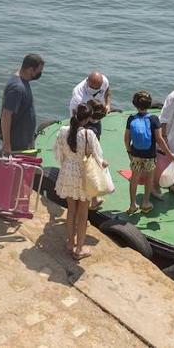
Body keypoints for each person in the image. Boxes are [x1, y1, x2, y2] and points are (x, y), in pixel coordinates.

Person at [54, 100, 107, 259]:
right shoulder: (88, 134)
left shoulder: (63, 131)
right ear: (88, 118)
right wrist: (104, 164)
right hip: (83, 175)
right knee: (83, 213)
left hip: (67, 173)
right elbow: (99, 156)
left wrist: (68, 163)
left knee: (71, 210)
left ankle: (70, 242)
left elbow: (58, 154)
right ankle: (79, 249)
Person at [123, 90, 169, 214]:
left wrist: (129, 151)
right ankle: (145, 203)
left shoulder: (131, 118)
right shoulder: (154, 119)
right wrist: (169, 154)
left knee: (134, 179)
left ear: (135, 105)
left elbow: (127, 138)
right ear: (149, 104)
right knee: (149, 178)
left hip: (135, 154)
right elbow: (159, 139)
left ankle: (132, 205)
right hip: (150, 155)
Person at [0, 53, 44, 156]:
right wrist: (6, 144)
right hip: (17, 142)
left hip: (24, 140)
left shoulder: (22, 81)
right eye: (39, 71)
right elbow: (6, 115)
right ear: (31, 70)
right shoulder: (17, 88)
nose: (40, 74)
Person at [69, 71, 111, 136]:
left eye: (97, 88)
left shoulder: (104, 81)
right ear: (87, 81)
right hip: (82, 118)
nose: (94, 89)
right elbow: (74, 115)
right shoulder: (78, 96)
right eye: (92, 87)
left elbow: (107, 91)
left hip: (97, 114)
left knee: (96, 135)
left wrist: (108, 105)